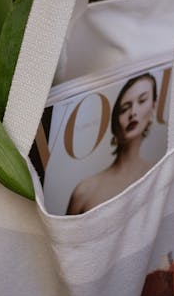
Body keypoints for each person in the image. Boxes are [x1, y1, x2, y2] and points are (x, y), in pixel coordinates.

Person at [66, 73, 158, 214]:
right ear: (114, 123)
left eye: (142, 100)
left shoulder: (161, 174)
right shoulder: (84, 191)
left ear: (153, 108)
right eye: (124, 108)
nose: (133, 112)